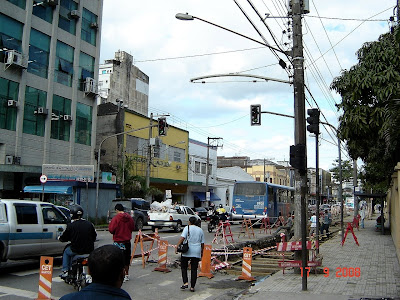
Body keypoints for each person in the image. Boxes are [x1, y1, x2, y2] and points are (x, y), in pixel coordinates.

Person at [60, 244, 132, 300]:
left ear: (89, 271)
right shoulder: (124, 298)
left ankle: (65, 269)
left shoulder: (67, 298)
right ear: (122, 274)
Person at [59, 204, 97, 279]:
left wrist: (60, 238)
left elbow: (64, 238)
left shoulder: (71, 226)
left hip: (76, 250)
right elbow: (94, 237)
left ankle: (65, 271)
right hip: (89, 250)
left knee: (66, 251)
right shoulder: (89, 224)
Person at [175, 216, 205, 293]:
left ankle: (185, 282)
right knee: (194, 269)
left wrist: (177, 246)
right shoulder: (200, 230)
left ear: (189, 222)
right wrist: (201, 252)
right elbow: (202, 243)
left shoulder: (187, 228)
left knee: (184, 267)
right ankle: (192, 287)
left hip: (187, 250)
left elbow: (182, 238)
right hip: (196, 251)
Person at [109, 203, 135, 282]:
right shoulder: (130, 218)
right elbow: (132, 227)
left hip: (118, 242)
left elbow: (111, 229)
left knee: (118, 259)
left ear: (116, 210)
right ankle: (126, 274)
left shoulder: (116, 218)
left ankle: (120, 274)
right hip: (127, 241)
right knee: (126, 259)